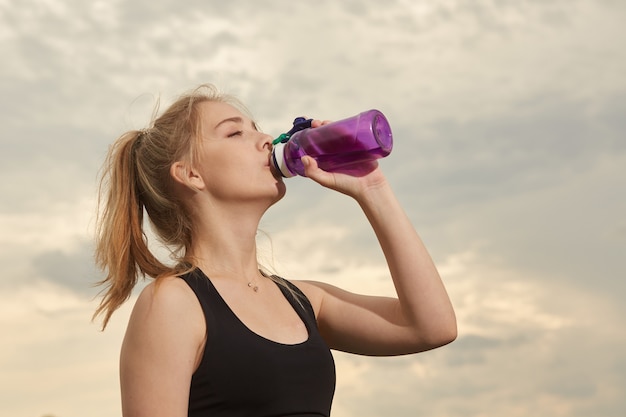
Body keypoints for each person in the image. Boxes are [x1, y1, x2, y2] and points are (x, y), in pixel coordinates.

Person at [93, 84, 457, 417]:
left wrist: (372, 187)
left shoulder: (304, 301)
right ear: (191, 174)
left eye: (257, 127)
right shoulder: (173, 304)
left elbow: (431, 327)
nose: (267, 139)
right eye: (236, 132)